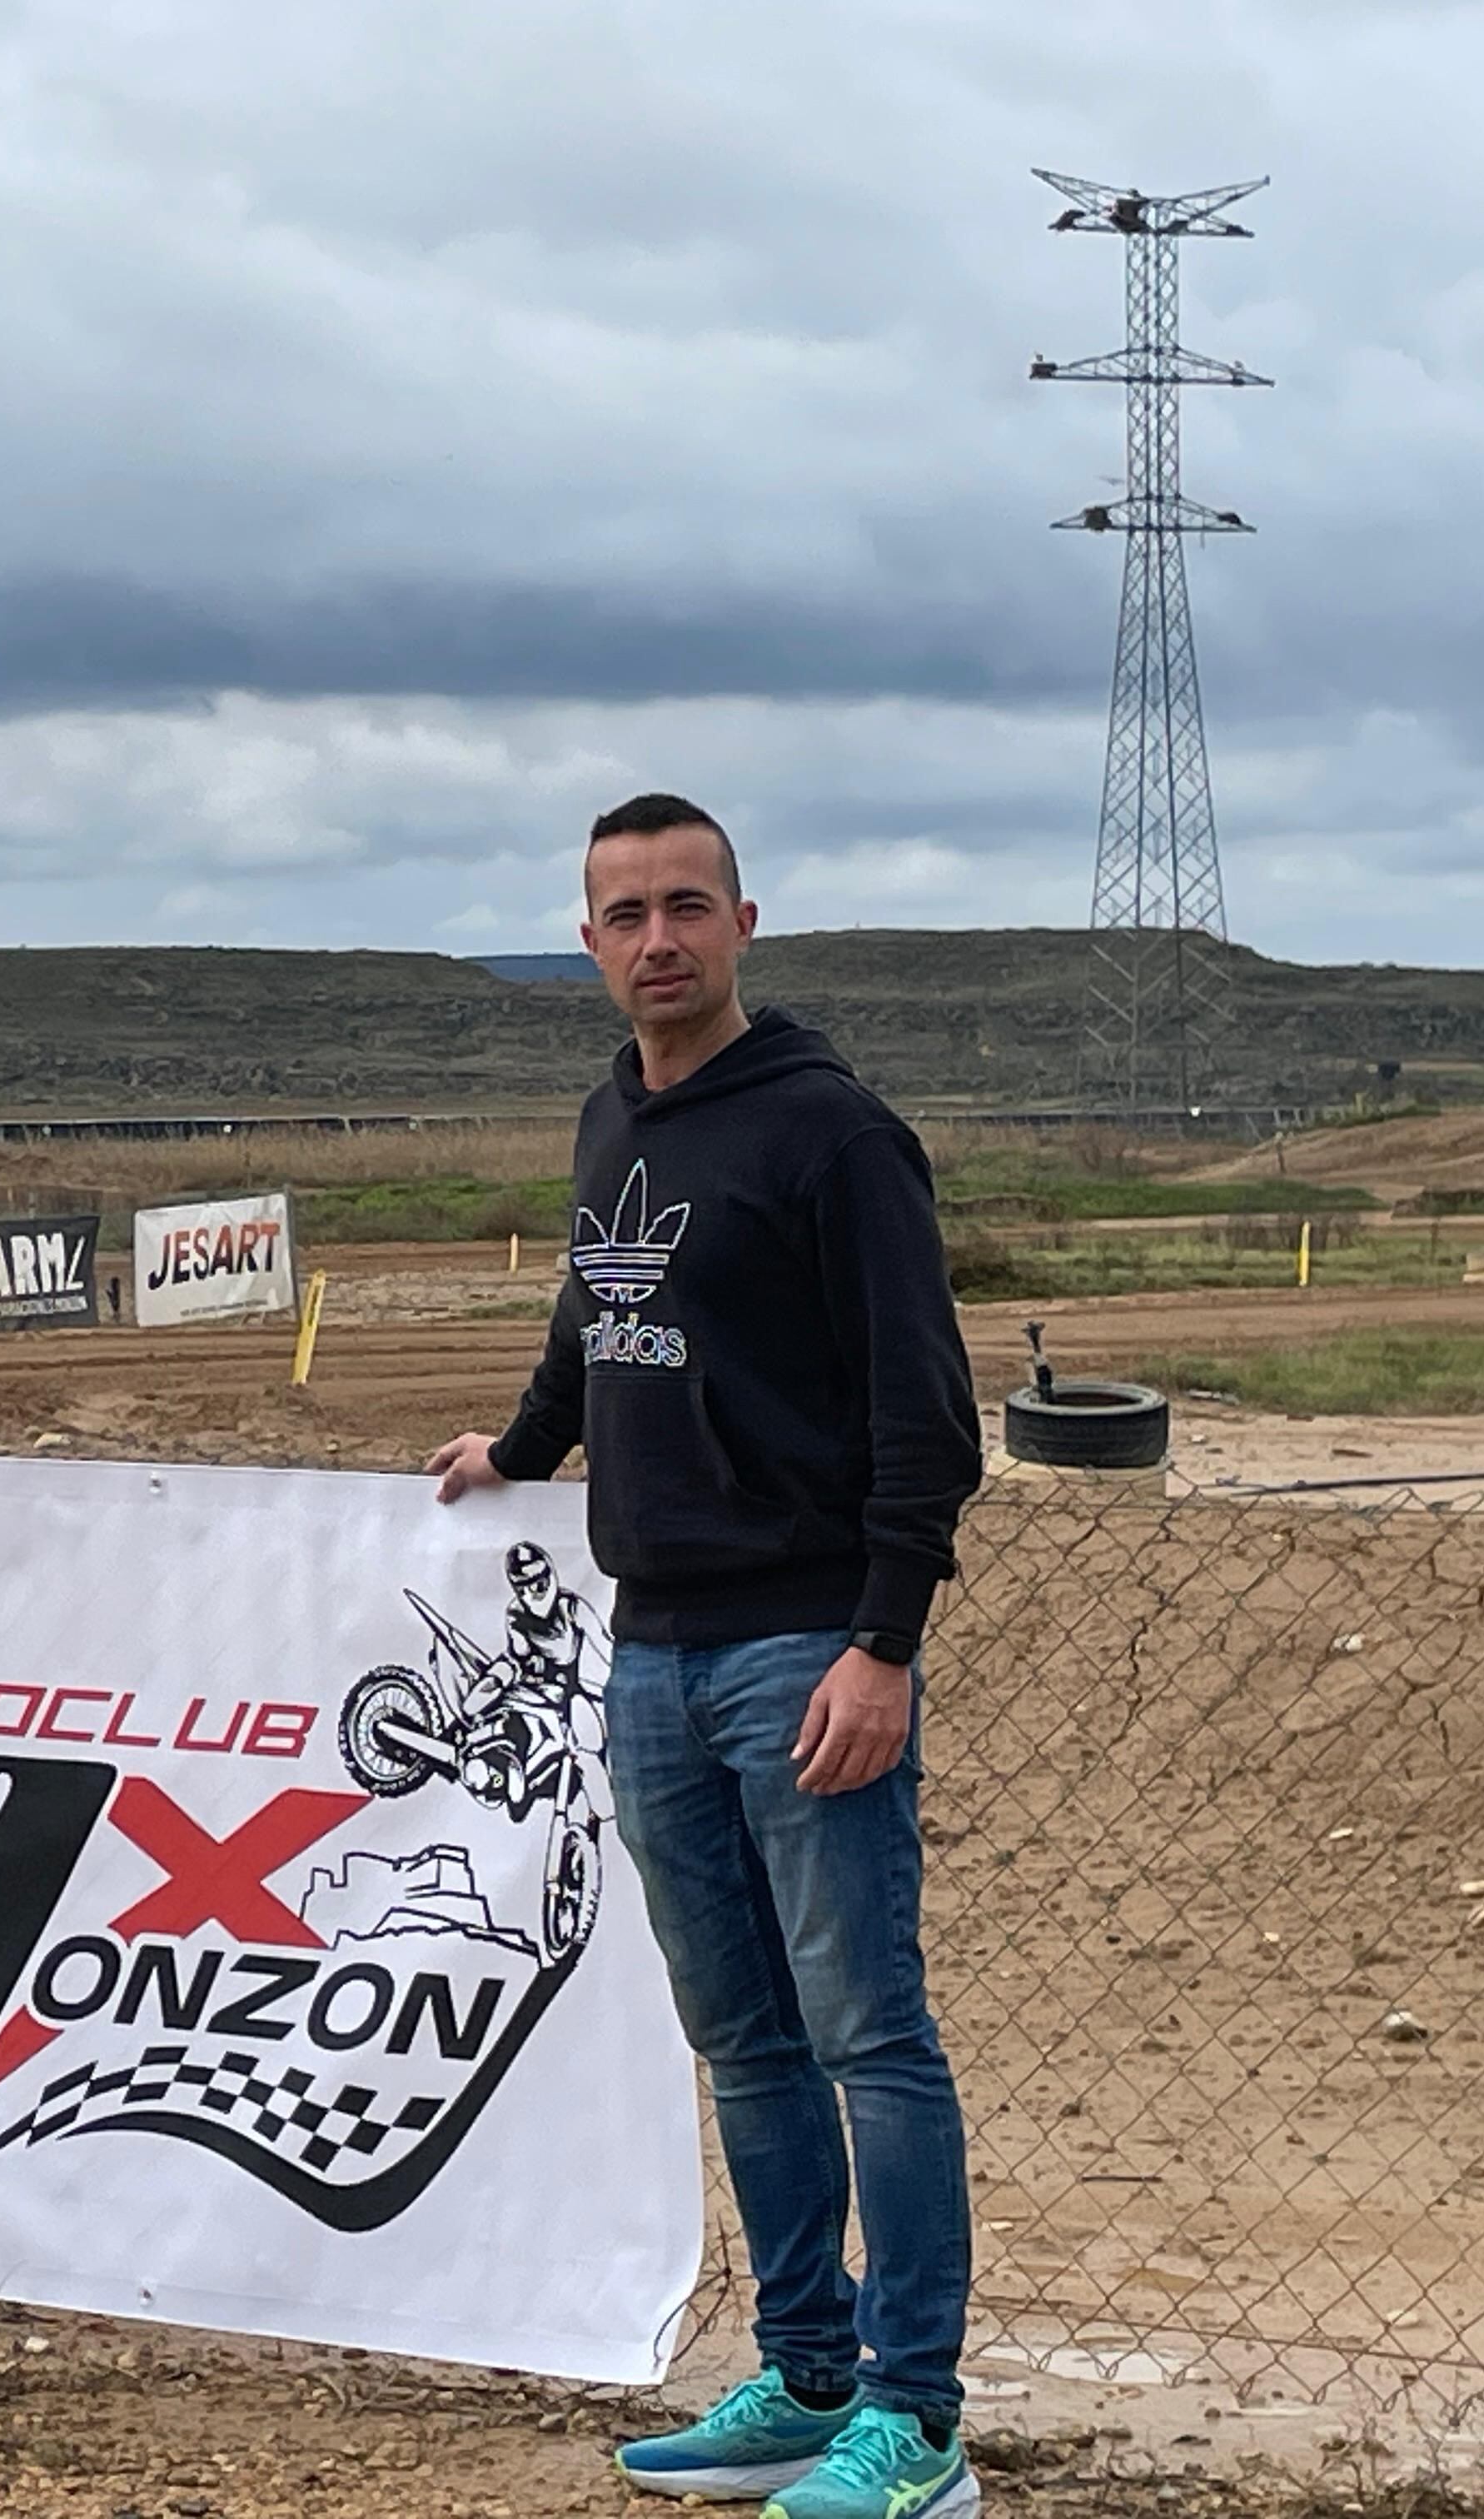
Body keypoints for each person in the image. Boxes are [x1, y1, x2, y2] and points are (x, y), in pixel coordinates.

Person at [428, 796, 982, 2517]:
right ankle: (808, 2378)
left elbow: (927, 1414)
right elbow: (597, 1311)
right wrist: (523, 1448)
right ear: (587, 941)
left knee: (867, 2031)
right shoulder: (615, 1113)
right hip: (651, 1654)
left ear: (745, 923)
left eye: (686, 906)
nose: (657, 940)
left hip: (803, 1649)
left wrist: (882, 1643)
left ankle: (918, 2421)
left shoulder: (833, 1134)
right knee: (742, 2037)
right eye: (625, 914)